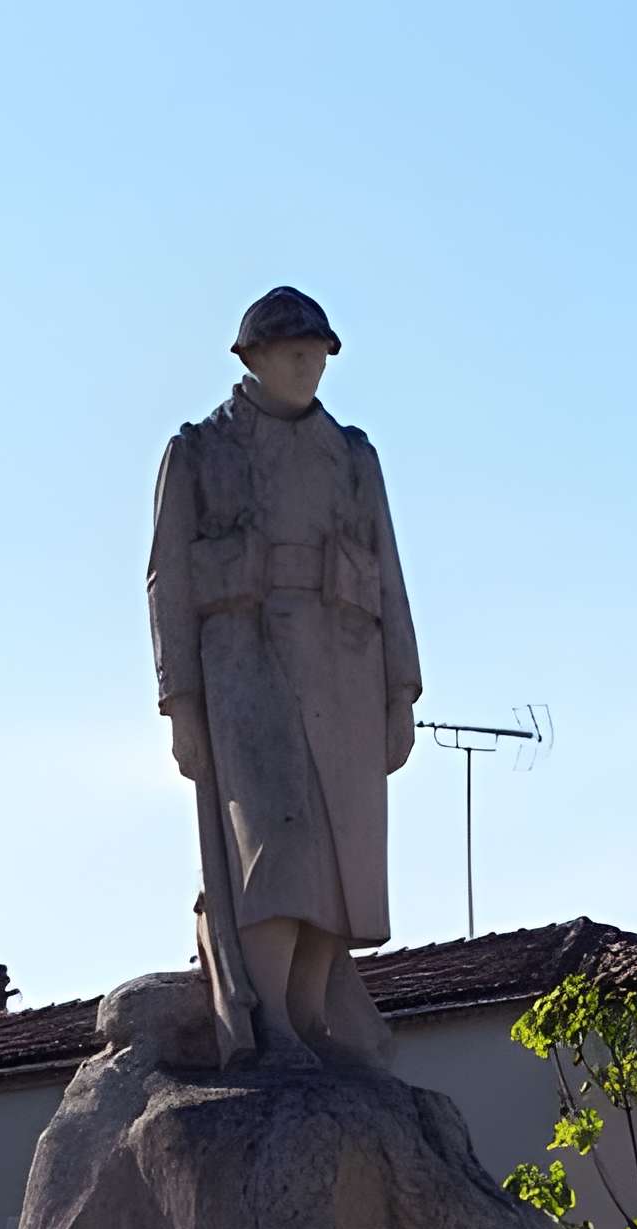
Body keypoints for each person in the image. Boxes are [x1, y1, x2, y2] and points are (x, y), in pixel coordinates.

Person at [148, 287, 421, 1066]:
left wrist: (400, 691)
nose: (308, 365)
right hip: (245, 660)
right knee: (275, 840)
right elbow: (167, 576)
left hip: (346, 664)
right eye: (293, 351)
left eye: (318, 353)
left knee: (341, 856)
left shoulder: (354, 456)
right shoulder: (201, 450)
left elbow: (391, 576)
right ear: (254, 357)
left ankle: (305, 1019)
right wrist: (181, 703)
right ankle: (263, 1015)